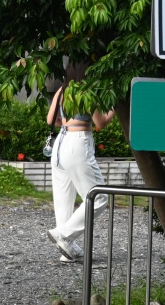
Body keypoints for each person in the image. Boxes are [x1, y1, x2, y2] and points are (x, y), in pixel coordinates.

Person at [44, 74, 114, 262]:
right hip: (78, 141)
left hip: (60, 142)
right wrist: (115, 107)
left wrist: (69, 120)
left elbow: (52, 119)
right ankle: (64, 235)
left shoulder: (62, 90)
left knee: (63, 199)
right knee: (98, 196)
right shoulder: (88, 91)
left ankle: (67, 250)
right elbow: (101, 122)